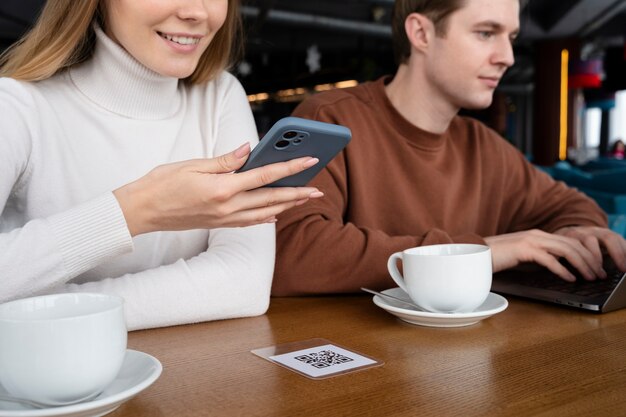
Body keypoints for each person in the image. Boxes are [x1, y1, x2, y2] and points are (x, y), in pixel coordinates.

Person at [0, 0, 325, 330]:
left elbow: (245, 283)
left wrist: (40, 310)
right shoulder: (14, 106)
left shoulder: (220, 95)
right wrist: (135, 212)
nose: (197, 12)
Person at [273, 0, 626, 295]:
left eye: (511, 37)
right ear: (421, 33)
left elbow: (573, 207)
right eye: (486, 33)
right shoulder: (328, 118)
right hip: (358, 364)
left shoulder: (485, 146)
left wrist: (577, 233)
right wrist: (477, 254)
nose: (507, 57)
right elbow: (291, 254)